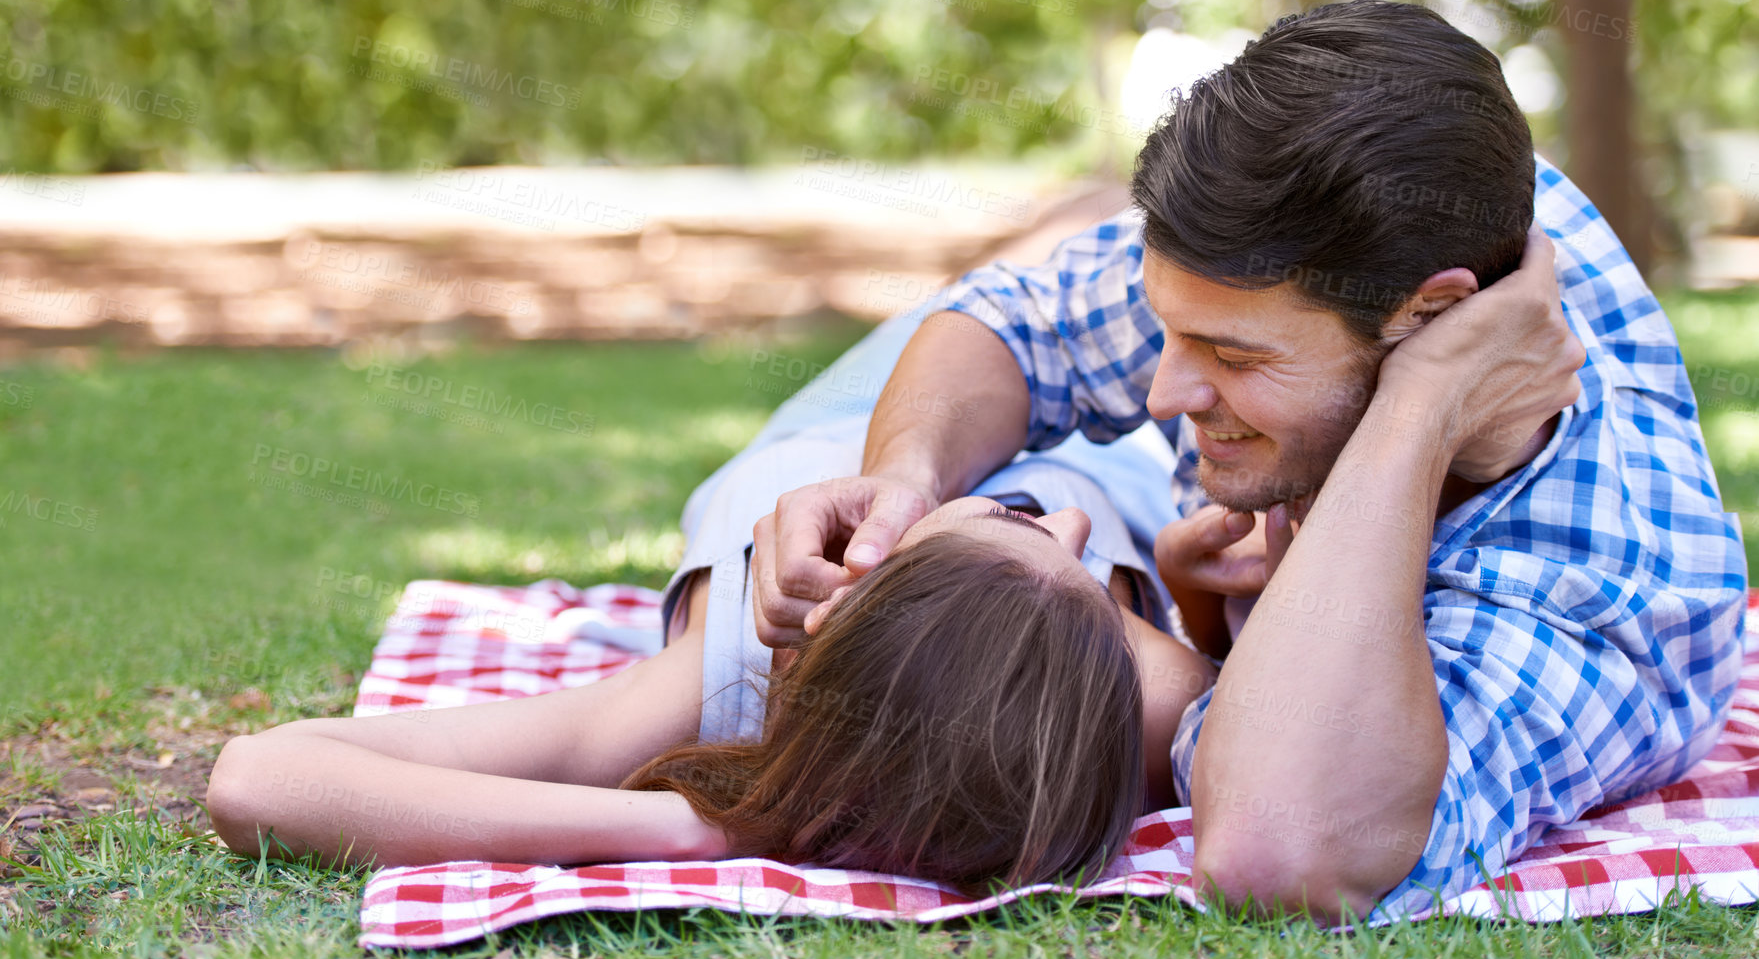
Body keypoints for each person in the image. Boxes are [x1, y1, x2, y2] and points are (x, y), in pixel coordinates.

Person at [751, 0, 1750, 923]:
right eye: (1168, 331)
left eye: (1233, 356)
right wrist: (905, 482)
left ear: (1439, 316)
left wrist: (1421, 406)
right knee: (801, 526)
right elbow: (1020, 323)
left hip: (1135, 525)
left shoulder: (1604, 595)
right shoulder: (1384, 216)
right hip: (1125, 510)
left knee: (781, 637)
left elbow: (1280, 851)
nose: (1160, 390)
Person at [205, 312, 1221, 889]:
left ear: (862, 578)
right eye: (1022, 517)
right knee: (1045, 281)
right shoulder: (1148, 688)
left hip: (840, 428)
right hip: (1106, 441)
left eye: (1015, 516)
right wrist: (1184, 588)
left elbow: (263, 775)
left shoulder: (729, 669)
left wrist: (698, 829)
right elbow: (258, 779)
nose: (1071, 529)